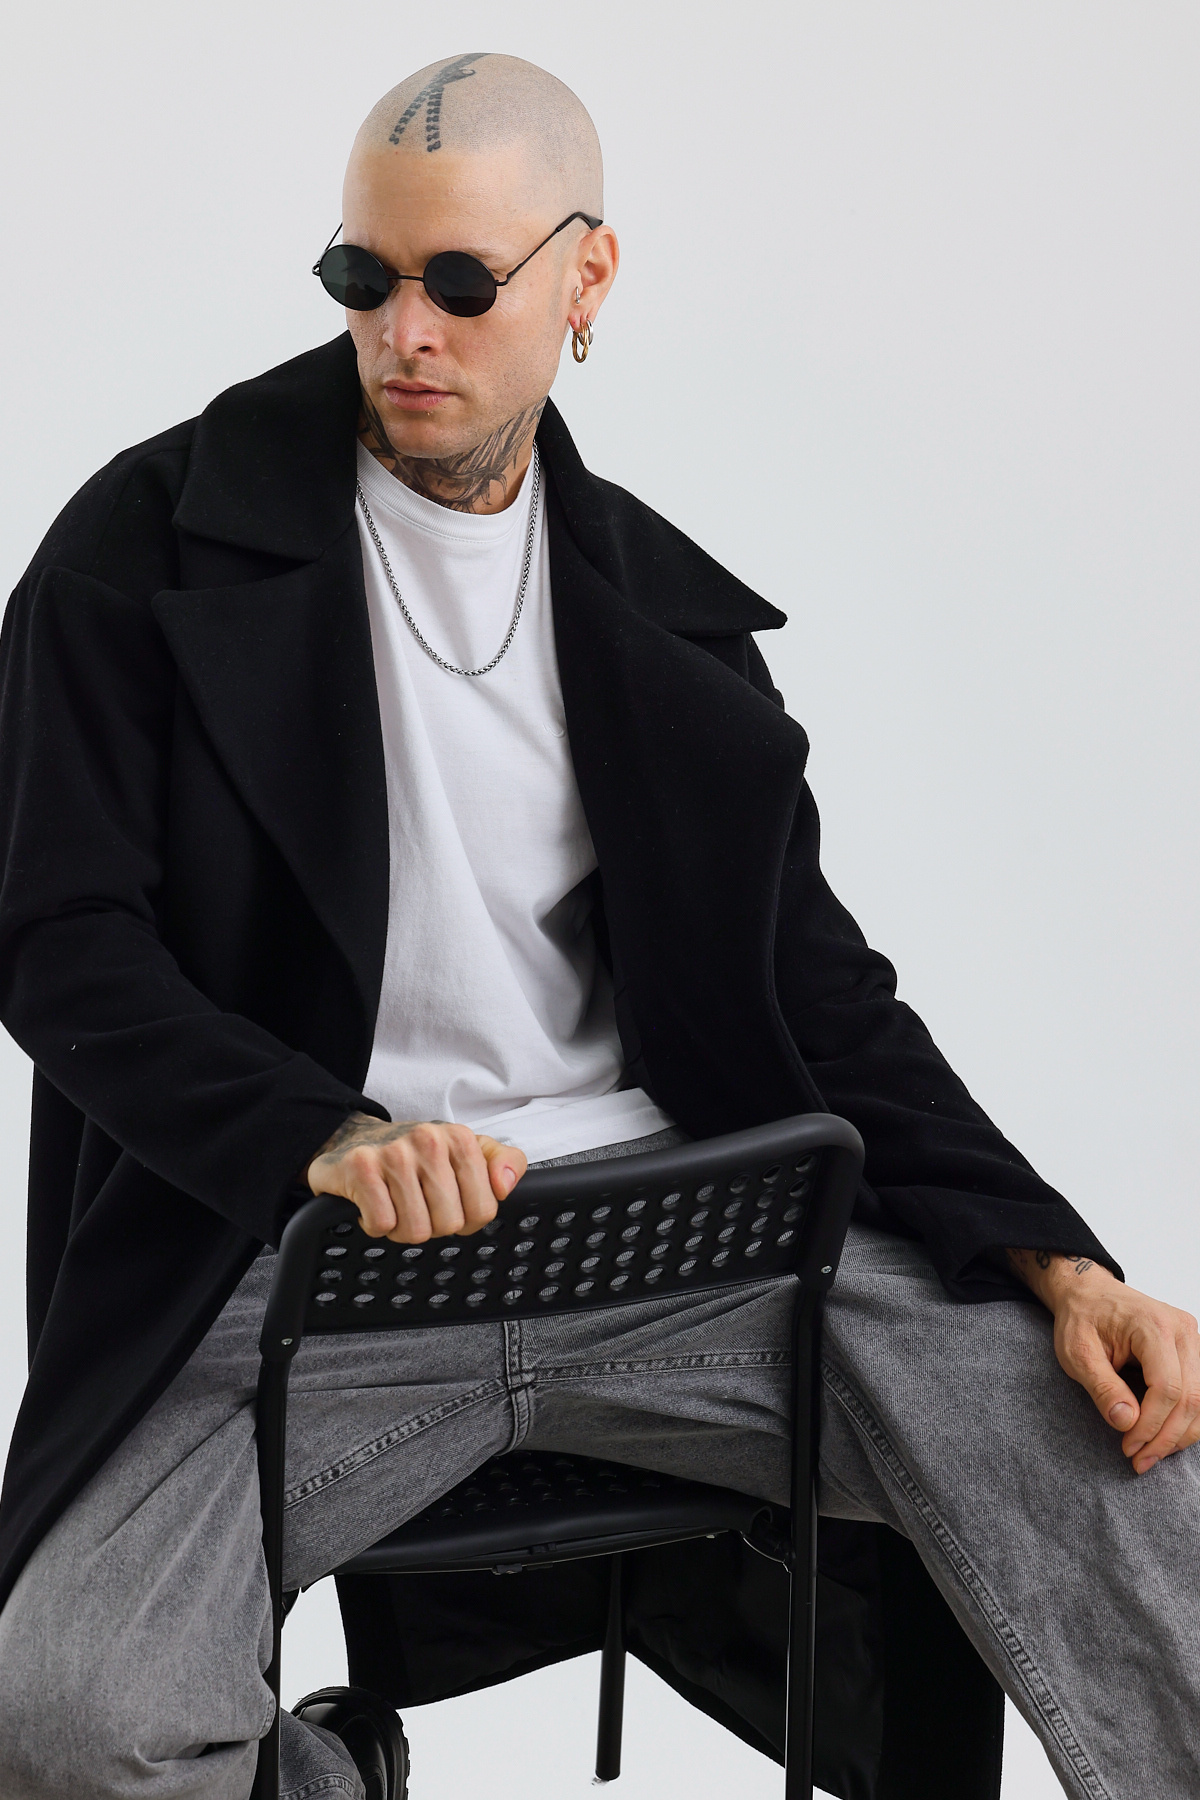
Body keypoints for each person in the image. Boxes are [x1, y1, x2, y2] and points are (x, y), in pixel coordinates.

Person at [0, 50, 1195, 1800]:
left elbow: (825, 999)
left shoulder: (666, 630)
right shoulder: (141, 553)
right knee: (58, 1715)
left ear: (588, 279)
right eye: (363, 276)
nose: (406, 331)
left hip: (685, 1245)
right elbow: (60, 941)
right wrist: (323, 1137)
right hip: (301, 1264)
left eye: (461, 282)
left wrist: (1061, 1262)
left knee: (1140, 1470)